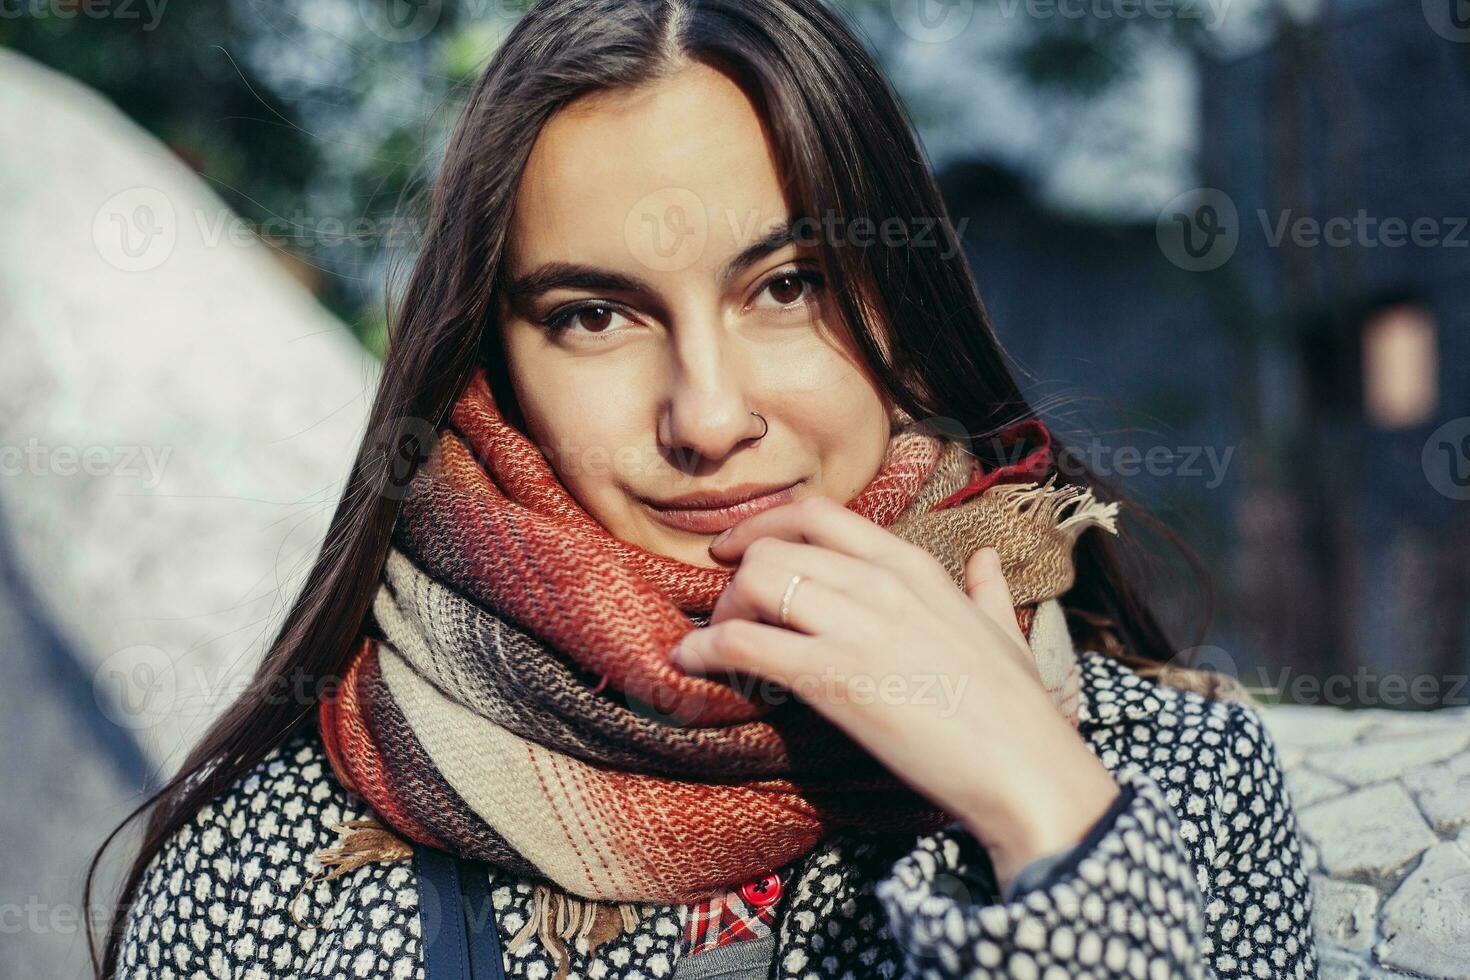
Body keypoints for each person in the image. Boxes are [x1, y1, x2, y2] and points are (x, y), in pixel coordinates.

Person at [91, 1, 1317, 977]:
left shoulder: (1171, 777)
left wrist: (1040, 810)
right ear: (494, 361)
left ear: (906, 298)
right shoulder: (274, 870)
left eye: (786, 286)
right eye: (593, 315)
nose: (711, 416)